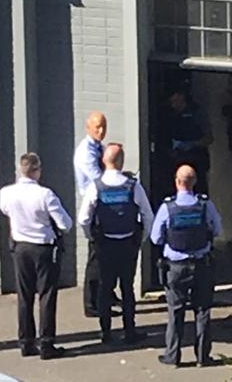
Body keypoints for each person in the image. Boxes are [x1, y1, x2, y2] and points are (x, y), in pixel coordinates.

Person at [78, 143, 155, 344]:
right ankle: (130, 331)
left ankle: (106, 332)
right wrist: (142, 238)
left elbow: (83, 218)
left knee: (105, 288)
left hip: (105, 244)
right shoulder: (133, 186)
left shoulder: (96, 186)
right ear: (121, 162)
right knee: (127, 289)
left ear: (104, 161)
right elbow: (148, 215)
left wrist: (92, 237)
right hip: (128, 243)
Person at [0, 152, 73, 359]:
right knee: (47, 296)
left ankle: (26, 342)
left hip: (20, 248)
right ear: (36, 170)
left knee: (25, 296)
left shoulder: (6, 193)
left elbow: (5, 210)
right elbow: (65, 224)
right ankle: (47, 343)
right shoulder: (45, 195)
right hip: (43, 248)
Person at [151, 165, 222, 367]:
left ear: (176, 182)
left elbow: (156, 238)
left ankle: (173, 356)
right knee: (203, 310)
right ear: (194, 182)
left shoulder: (168, 208)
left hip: (176, 266)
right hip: (202, 264)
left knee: (175, 311)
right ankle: (202, 356)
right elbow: (217, 229)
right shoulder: (205, 205)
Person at [73, 111, 119, 317]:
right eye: (97, 127)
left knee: (108, 256)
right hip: (93, 206)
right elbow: (99, 179)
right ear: (88, 127)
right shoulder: (86, 152)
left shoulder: (98, 147)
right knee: (96, 257)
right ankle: (92, 304)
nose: (101, 131)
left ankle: (106, 295)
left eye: (103, 126)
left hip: (102, 205)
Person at [166, 89, 213, 194]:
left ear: (182, 97)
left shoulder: (197, 113)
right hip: (179, 162)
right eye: (171, 102)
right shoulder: (172, 116)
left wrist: (192, 144)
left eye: (175, 101)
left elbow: (209, 138)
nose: (174, 105)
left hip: (197, 163)